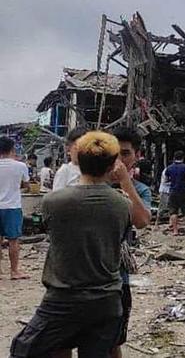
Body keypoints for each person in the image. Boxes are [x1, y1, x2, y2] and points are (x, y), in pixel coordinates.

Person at [10, 131, 131, 356]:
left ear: (78, 159)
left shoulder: (54, 201)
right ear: (112, 164)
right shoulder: (122, 204)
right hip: (107, 300)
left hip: (63, 298)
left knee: (24, 349)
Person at [111, 127, 152, 358]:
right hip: (80, 278)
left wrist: (125, 182)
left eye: (125, 154)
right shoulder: (87, 182)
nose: (118, 160)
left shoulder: (140, 190)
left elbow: (142, 221)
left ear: (136, 155)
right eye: (113, 153)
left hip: (117, 279)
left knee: (112, 342)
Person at [0, 136, 30, 280]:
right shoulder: (20, 166)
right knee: (13, 240)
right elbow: (27, 186)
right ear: (12, 149)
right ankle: (14, 271)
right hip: (12, 207)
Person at [52, 126, 88, 191]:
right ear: (68, 149)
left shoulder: (93, 171)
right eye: (77, 147)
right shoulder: (65, 171)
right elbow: (56, 198)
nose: (82, 151)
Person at [166, 151, 185, 235]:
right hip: (183, 191)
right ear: (183, 158)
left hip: (173, 191)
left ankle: (175, 230)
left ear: (174, 158)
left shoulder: (169, 168)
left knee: (173, 211)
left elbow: (166, 179)